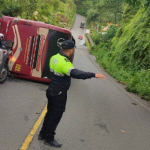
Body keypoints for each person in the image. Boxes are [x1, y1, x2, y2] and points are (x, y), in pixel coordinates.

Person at [38, 39, 106, 148]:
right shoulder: (65, 62)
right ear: (70, 50)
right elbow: (75, 73)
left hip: (51, 90)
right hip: (59, 93)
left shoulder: (54, 57)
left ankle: (42, 134)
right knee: (56, 115)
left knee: (50, 112)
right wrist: (93, 74)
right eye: (73, 49)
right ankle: (49, 138)